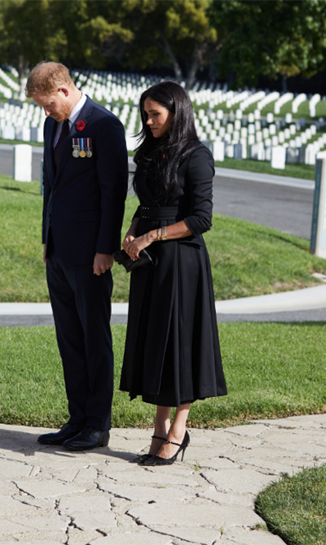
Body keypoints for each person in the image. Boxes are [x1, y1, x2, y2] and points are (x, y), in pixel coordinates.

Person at [120, 81, 227, 466]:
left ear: (176, 113)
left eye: (155, 115)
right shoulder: (150, 152)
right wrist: (133, 229)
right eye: (145, 115)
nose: (148, 122)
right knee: (156, 346)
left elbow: (201, 219)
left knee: (179, 348)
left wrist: (152, 235)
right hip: (150, 265)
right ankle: (158, 424)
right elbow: (146, 203)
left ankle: (177, 430)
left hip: (182, 263)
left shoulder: (197, 156)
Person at [26, 62, 128, 451]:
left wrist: (105, 249)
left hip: (90, 254)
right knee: (69, 338)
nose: (46, 112)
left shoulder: (104, 126)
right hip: (58, 250)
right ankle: (77, 418)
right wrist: (46, 238)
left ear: (65, 90)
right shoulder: (54, 124)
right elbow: (52, 186)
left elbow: (112, 192)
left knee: (93, 338)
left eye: (49, 103)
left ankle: (97, 425)